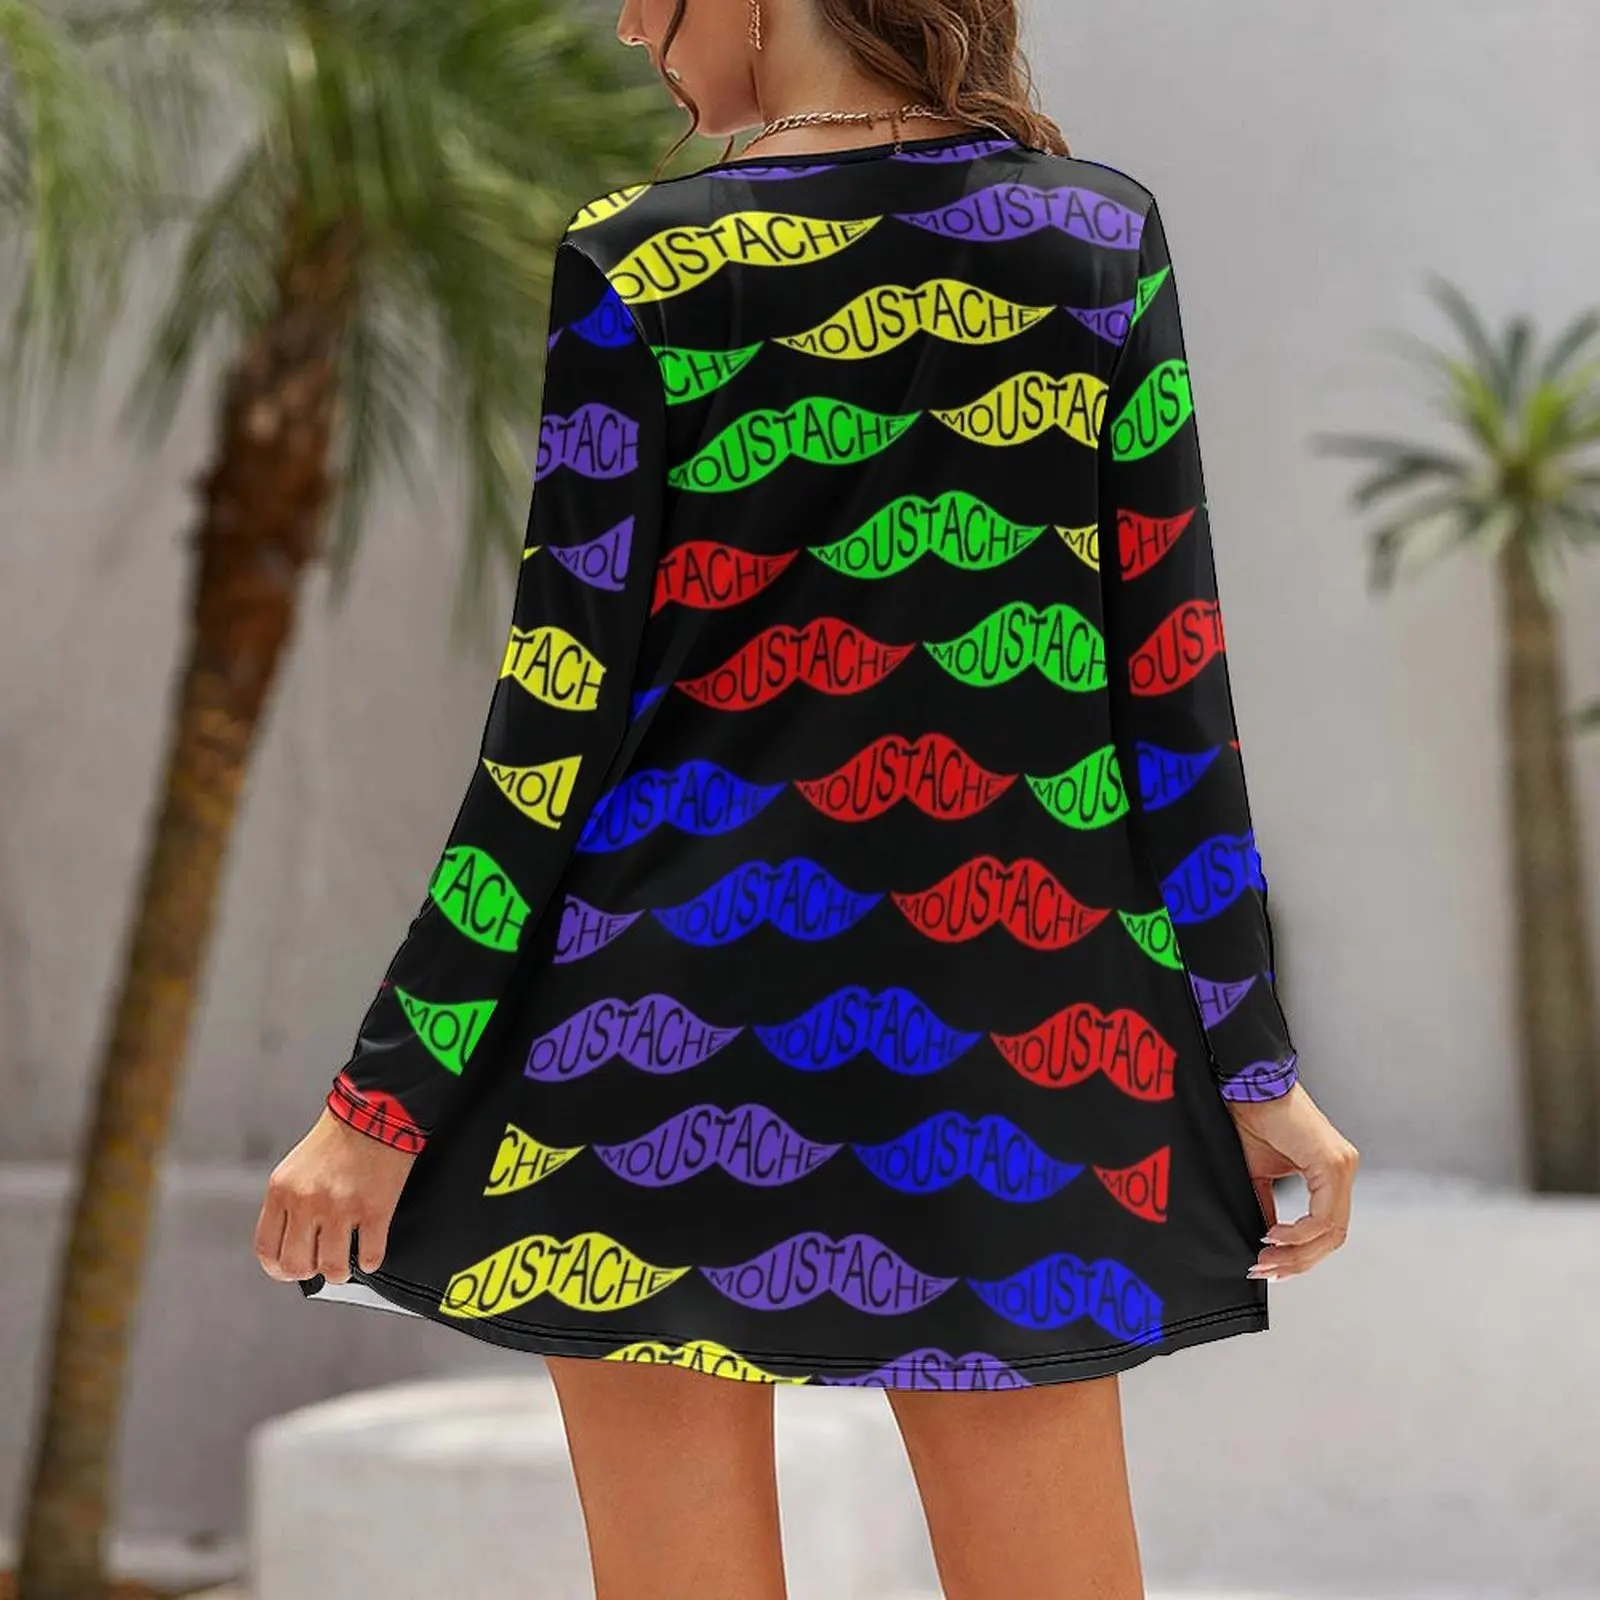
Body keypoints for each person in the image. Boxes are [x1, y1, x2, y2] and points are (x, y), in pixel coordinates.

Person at [254, 1, 1360, 1594]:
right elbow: (1170, 694)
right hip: (1013, 1045)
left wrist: (383, 1101)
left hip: (652, 1040)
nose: (628, 25)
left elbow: (552, 724)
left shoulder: (648, 263)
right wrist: (1253, 1065)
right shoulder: (1095, 243)